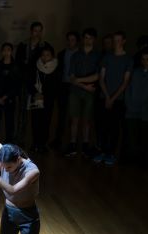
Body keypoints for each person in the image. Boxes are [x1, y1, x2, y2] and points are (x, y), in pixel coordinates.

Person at [95, 31, 133, 166]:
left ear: (123, 41)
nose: (116, 43)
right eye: (114, 40)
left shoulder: (128, 59)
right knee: (103, 125)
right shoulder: (107, 57)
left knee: (114, 127)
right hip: (104, 97)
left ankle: (111, 152)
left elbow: (125, 82)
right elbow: (101, 78)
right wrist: (107, 96)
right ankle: (102, 151)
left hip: (118, 99)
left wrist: (113, 98)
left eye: (118, 40)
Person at [124, 46, 148, 166]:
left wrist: (147, 106)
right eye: (143, 59)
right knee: (132, 138)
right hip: (132, 111)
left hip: (147, 113)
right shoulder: (136, 72)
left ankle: (142, 163)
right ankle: (131, 161)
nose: (145, 62)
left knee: (144, 138)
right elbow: (128, 89)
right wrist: (129, 105)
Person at [65, 28, 101, 158]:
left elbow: (97, 76)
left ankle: (85, 144)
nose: (88, 40)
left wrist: (79, 81)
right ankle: (73, 144)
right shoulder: (76, 55)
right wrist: (85, 86)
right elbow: (72, 76)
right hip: (79, 91)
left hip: (89, 92)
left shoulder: (98, 55)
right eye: (86, 37)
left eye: (90, 38)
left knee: (87, 120)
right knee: (74, 119)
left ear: (94, 39)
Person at [15, 22, 51, 141]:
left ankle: (37, 140)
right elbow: (18, 64)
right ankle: (20, 137)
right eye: (35, 30)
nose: (37, 33)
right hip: (24, 83)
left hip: (37, 85)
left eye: (40, 30)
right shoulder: (23, 45)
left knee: (37, 114)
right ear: (31, 31)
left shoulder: (45, 46)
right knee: (22, 112)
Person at [28, 46, 59, 153]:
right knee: (35, 121)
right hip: (36, 98)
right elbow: (30, 81)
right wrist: (35, 93)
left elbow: (56, 85)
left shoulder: (56, 67)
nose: (45, 57)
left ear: (52, 56)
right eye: (43, 55)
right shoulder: (36, 65)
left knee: (46, 121)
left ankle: (43, 144)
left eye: (48, 55)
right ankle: (35, 143)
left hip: (48, 99)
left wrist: (45, 95)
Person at [54, 31, 80, 149]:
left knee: (74, 115)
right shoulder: (62, 54)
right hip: (63, 86)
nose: (70, 42)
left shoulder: (80, 54)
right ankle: (59, 140)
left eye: (73, 40)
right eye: (69, 40)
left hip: (76, 86)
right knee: (62, 114)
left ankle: (72, 141)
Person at [0, 42, 19, 143]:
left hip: (9, 98)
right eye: (4, 50)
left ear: (11, 52)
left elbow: (16, 85)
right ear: (2, 52)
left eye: (9, 50)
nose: (6, 52)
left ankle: (9, 143)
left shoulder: (15, 66)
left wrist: (6, 96)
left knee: (9, 122)